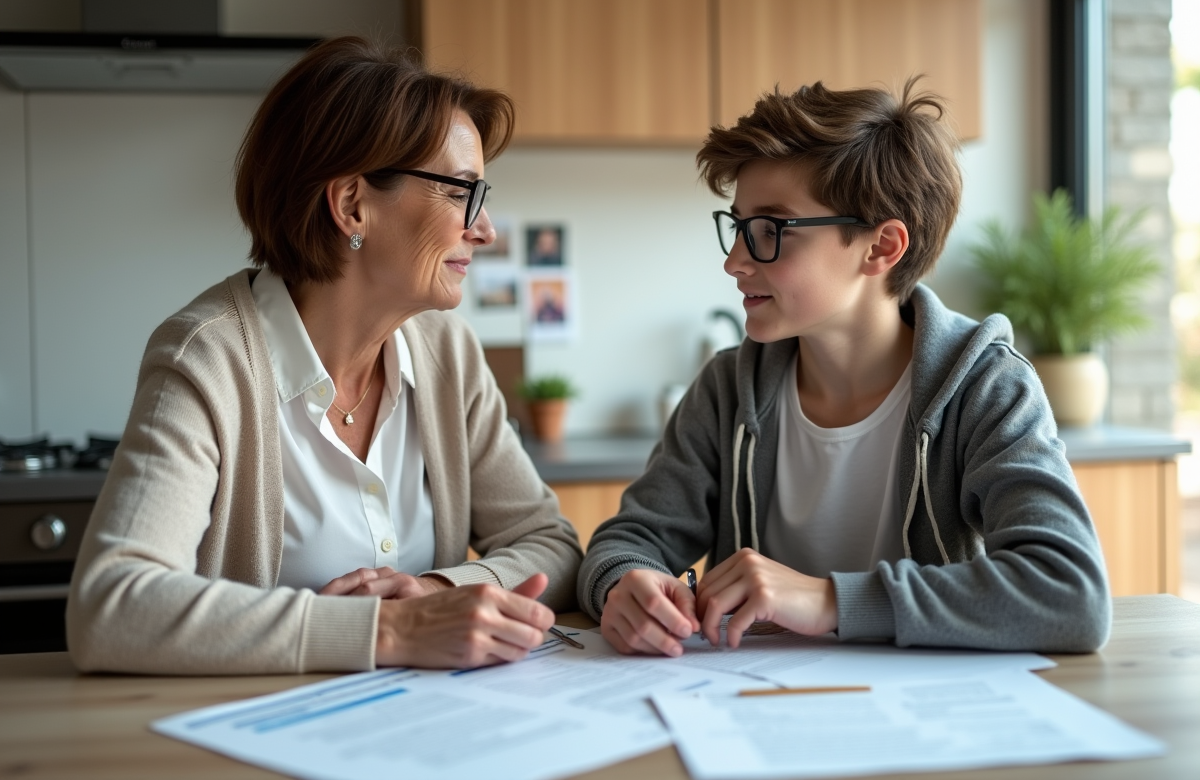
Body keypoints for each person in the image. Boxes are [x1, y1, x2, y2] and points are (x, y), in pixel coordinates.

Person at [67, 37, 582, 675]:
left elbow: (551, 544)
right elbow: (111, 607)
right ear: (351, 204)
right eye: (460, 194)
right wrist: (384, 629)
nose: (485, 228)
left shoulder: (448, 352)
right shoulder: (209, 359)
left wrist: (440, 591)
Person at [578, 79, 1111, 657]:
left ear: (882, 247)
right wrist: (622, 584)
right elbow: (627, 542)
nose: (734, 261)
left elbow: (1070, 593)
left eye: (769, 231)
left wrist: (829, 600)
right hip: (750, 714)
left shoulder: (986, 388)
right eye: (738, 227)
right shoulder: (728, 388)